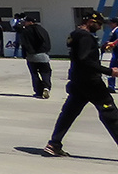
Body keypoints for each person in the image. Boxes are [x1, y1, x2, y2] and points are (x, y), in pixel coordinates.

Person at [42, 12, 118, 157]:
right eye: (99, 24)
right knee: (110, 114)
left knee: (68, 114)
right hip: (91, 82)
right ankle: (54, 143)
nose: (100, 27)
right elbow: (85, 60)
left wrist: (98, 49)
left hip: (78, 82)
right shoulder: (86, 36)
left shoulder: (75, 34)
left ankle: (54, 144)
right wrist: (110, 71)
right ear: (90, 21)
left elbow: (80, 56)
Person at [19, 15, 52, 99]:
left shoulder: (25, 31)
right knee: (46, 73)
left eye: (26, 21)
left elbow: (24, 44)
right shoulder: (42, 30)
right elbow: (47, 41)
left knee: (34, 74)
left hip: (31, 56)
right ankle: (46, 87)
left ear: (30, 22)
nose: (25, 23)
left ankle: (38, 91)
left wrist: (25, 54)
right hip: (43, 55)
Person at [106, 17, 118, 94]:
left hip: (117, 53)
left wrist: (112, 44)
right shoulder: (114, 31)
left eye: (111, 23)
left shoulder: (117, 31)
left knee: (112, 68)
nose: (110, 24)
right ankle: (111, 86)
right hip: (115, 52)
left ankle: (111, 86)